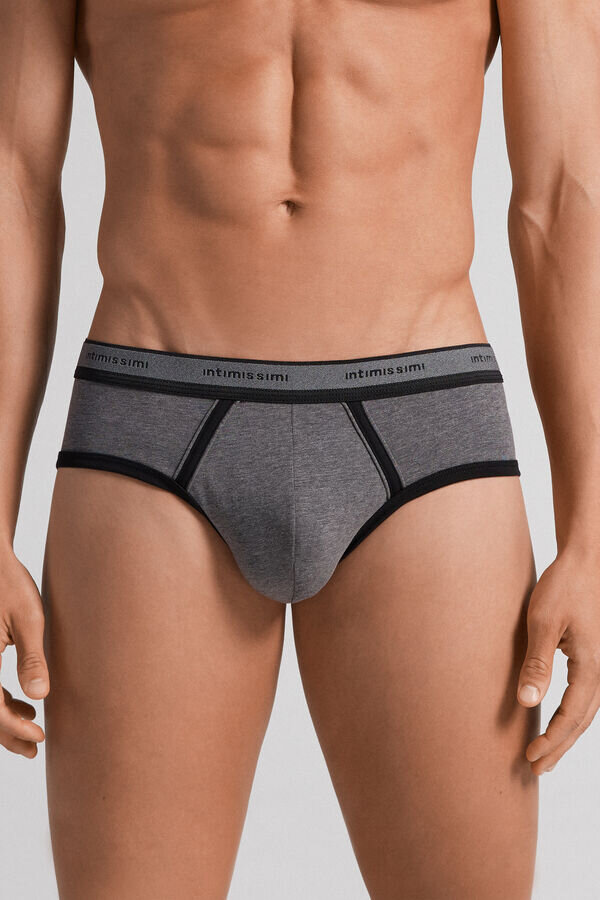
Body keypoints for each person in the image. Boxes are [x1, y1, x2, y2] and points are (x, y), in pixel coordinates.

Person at [1, 1, 599, 897]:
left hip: (424, 429)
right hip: (153, 422)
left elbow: (564, 188)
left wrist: (591, 530)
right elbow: (13, 177)